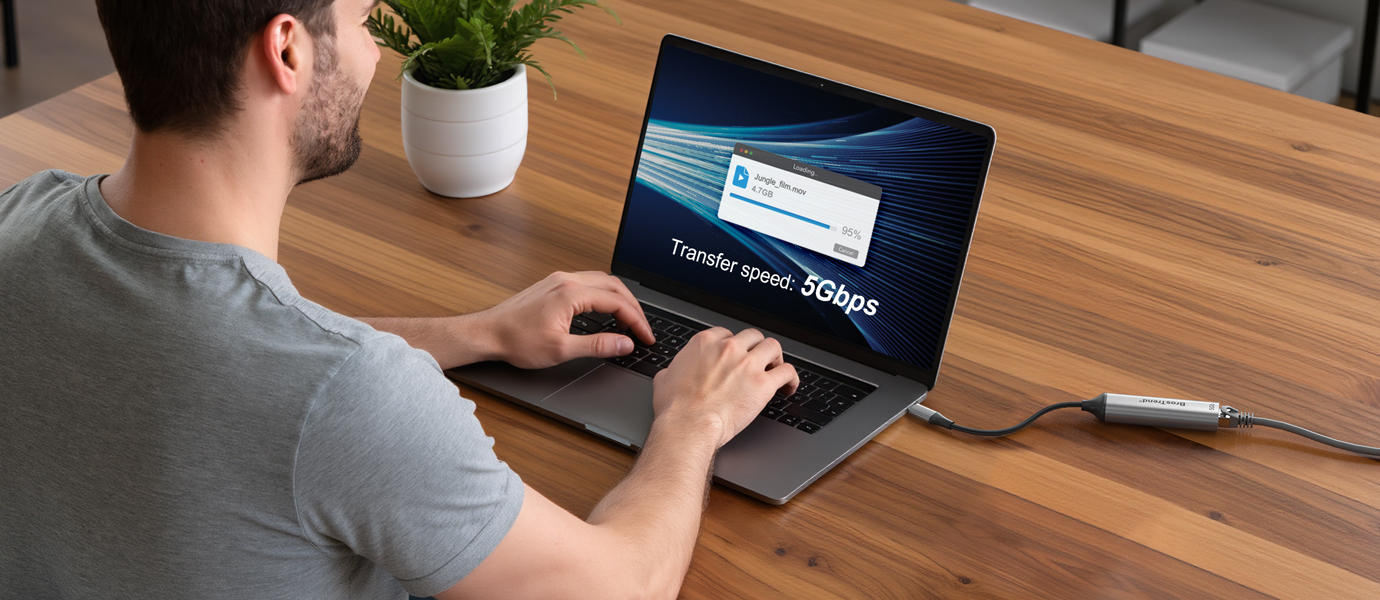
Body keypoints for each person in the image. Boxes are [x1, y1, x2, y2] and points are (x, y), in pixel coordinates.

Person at [0, 0, 798, 598]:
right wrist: (695, 420)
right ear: (287, 50)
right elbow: (621, 585)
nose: (375, 42)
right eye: (357, 16)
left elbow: (229, 343)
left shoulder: (20, 221)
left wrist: (473, 333)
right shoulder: (353, 397)